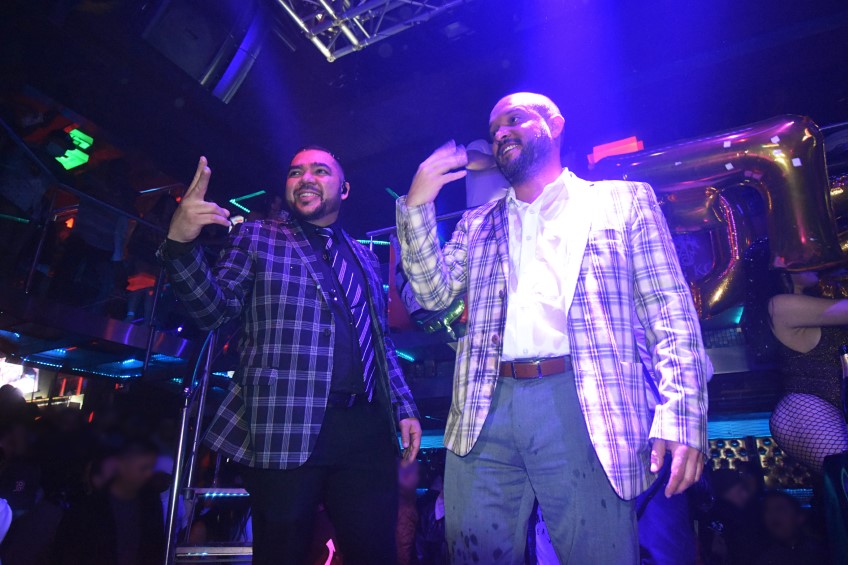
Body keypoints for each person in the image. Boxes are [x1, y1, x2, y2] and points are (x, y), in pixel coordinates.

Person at [396, 92, 710, 563]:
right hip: (484, 405)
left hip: (585, 401)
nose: (501, 132)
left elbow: (669, 310)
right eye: (494, 128)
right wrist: (417, 205)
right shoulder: (476, 224)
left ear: (555, 125)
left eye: (514, 119)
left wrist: (682, 412)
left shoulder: (622, 201)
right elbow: (433, 295)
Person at [160, 146, 422, 564]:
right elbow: (213, 311)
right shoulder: (257, 236)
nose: (306, 179)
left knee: (376, 553)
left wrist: (404, 407)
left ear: (345, 189)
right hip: (284, 423)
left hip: (365, 428)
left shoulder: (365, 257)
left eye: (320, 171)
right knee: (281, 554)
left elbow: (380, 343)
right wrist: (179, 245)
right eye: (296, 172)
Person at [743, 240, 848, 474]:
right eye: (800, 256)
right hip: (807, 407)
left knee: (836, 486)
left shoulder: (808, 304)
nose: (812, 261)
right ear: (778, 266)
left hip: (827, 404)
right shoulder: (779, 305)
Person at [52, 438, 166, 565]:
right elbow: (67, 552)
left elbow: (155, 549)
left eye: (152, 468)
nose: (149, 474)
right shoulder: (88, 508)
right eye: (144, 468)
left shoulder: (150, 505)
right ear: (122, 465)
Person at [755, 491, 829, 565]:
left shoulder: (822, 552)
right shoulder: (761, 556)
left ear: (800, 517)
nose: (772, 514)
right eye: (767, 510)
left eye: (779, 508)